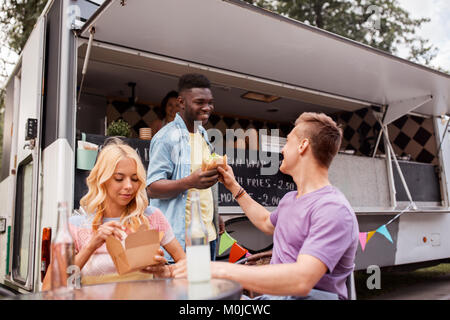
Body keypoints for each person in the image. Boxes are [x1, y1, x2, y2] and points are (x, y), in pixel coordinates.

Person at [174, 112, 359, 300]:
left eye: (287, 142)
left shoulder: (333, 209)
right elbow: (265, 222)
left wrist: (216, 269)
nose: (282, 150)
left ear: (303, 146)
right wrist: (232, 185)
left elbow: (301, 281)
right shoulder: (290, 199)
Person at [42, 139, 185, 290]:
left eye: (135, 179)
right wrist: (91, 245)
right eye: (119, 178)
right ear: (102, 180)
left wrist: (166, 271)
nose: (129, 186)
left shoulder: (151, 217)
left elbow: (185, 265)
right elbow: (50, 286)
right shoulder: (76, 225)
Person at [146, 73, 224, 262]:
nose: (207, 107)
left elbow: (203, 187)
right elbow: (151, 188)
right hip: (182, 240)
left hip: (209, 235)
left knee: (205, 291)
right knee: (182, 292)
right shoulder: (166, 137)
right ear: (181, 102)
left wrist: (215, 214)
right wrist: (189, 182)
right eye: (199, 102)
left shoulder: (204, 135)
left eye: (210, 102)